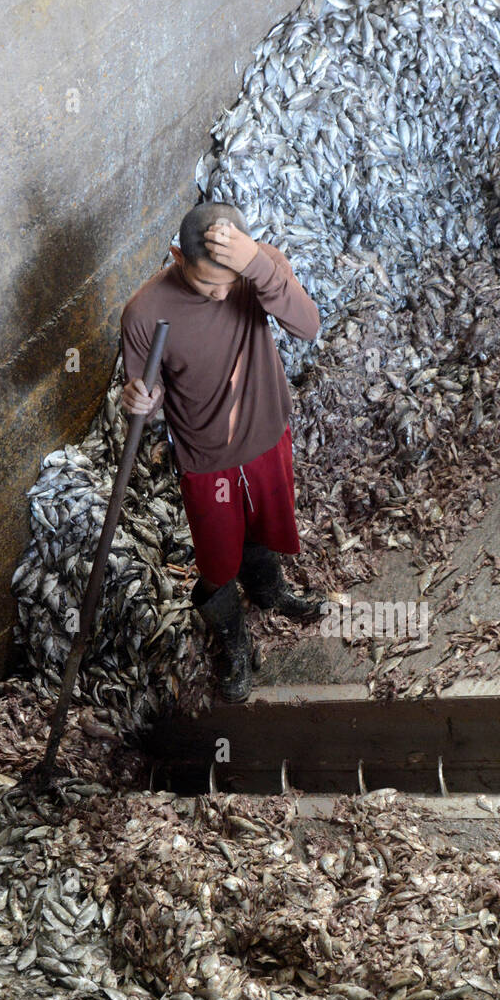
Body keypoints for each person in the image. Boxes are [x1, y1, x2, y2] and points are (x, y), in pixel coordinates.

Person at [120, 201, 323, 702]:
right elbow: (147, 392)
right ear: (177, 256)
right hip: (207, 457)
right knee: (217, 561)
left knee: (265, 526)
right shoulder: (145, 312)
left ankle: (269, 592)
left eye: (229, 282)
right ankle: (231, 639)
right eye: (208, 284)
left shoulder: (256, 269)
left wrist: (255, 264)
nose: (222, 294)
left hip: (266, 435)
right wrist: (141, 399)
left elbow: (308, 325)